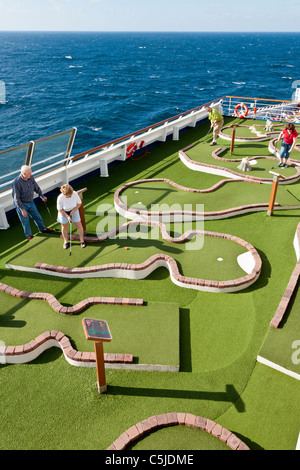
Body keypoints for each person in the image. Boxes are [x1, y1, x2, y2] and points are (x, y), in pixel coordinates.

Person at [12, 165, 52, 241]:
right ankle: (29, 236)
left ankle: (42, 229)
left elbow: (36, 187)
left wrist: (42, 196)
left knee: (37, 216)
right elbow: (16, 198)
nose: (31, 175)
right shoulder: (16, 182)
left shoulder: (30, 177)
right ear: (24, 174)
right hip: (21, 204)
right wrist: (22, 209)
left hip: (30, 201)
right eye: (29, 174)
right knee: (25, 221)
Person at [57, 184, 85, 249]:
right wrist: (67, 216)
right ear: (64, 194)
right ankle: (66, 241)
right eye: (68, 196)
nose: (70, 196)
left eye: (71, 194)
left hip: (74, 210)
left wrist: (72, 212)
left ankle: (82, 240)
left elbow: (79, 203)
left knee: (79, 225)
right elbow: (60, 209)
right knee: (64, 227)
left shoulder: (74, 194)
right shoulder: (60, 198)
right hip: (63, 212)